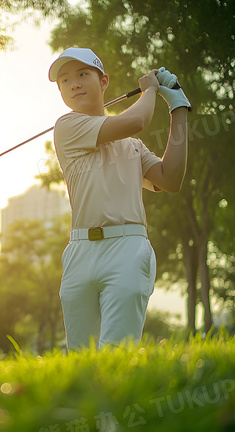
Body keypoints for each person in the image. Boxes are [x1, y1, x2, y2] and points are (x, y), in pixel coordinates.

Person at [48, 47, 190, 351]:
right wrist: (150, 90)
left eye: (83, 74)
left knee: (116, 353)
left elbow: (170, 179)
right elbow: (136, 120)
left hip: (126, 249)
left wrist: (177, 106)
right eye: (64, 80)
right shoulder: (66, 127)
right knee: (81, 358)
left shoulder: (133, 147)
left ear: (104, 82)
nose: (73, 84)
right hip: (79, 251)